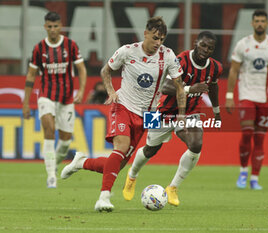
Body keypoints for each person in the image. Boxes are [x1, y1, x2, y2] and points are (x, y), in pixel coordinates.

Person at [60, 16, 186, 212]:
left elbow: (179, 87)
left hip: (149, 114)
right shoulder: (127, 51)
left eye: (161, 39)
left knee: (117, 165)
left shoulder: (168, 56)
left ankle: (81, 162)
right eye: (155, 38)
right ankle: (103, 198)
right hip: (123, 105)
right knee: (121, 147)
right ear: (145, 33)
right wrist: (111, 92)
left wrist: (182, 115)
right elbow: (105, 71)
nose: (158, 43)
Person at [122, 31, 223, 206]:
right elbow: (165, 87)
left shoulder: (215, 67)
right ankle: (132, 176)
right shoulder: (179, 60)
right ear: (195, 43)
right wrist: (191, 89)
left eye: (210, 48)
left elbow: (212, 87)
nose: (206, 50)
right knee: (150, 150)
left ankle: (173, 187)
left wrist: (217, 111)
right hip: (161, 109)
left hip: (190, 111)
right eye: (203, 45)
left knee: (196, 143)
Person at [225, 9, 268, 190]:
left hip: (267, 97)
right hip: (246, 95)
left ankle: (255, 178)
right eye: (257, 21)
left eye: (263, 21)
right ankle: (243, 171)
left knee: (260, 138)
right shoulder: (243, 44)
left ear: (267, 24)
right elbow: (233, 71)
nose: (260, 24)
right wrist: (229, 96)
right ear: (252, 23)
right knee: (247, 133)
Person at [22, 12, 87, 188]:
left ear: (60, 26)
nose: (52, 30)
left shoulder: (70, 45)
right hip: (46, 96)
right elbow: (31, 75)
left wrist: (81, 90)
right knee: (49, 130)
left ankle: (54, 164)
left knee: (65, 141)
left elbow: (81, 69)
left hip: (66, 98)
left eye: (55, 26)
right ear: (45, 27)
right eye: (49, 26)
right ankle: (51, 175)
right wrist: (26, 103)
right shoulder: (39, 49)